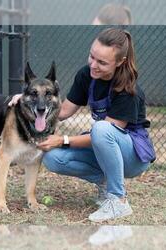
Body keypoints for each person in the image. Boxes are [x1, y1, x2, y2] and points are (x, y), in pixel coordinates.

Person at [9, 28, 155, 222]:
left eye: (102, 62)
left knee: (101, 129)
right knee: (52, 157)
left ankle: (118, 201)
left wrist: (62, 140)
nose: (93, 65)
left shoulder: (129, 90)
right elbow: (63, 111)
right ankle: (105, 182)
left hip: (133, 157)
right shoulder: (87, 75)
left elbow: (103, 135)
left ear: (120, 62)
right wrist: (30, 102)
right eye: (92, 57)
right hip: (103, 145)